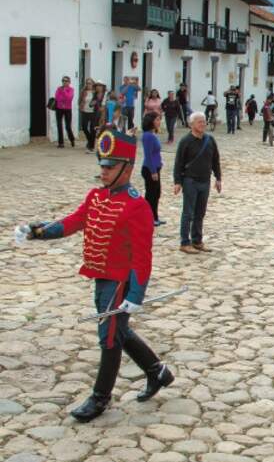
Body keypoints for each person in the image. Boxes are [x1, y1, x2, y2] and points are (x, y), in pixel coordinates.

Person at [14, 127, 174, 422]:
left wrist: (136, 295)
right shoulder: (97, 197)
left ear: (126, 169)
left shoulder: (137, 206)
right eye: (102, 165)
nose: (103, 171)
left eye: (109, 166)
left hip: (120, 281)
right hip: (101, 276)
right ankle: (158, 372)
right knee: (117, 331)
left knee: (110, 338)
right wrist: (37, 231)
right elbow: (72, 222)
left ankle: (100, 398)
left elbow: (142, 257)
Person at [173, 112, 221, 254]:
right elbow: (178, 162)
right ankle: (184, 242)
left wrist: (218, 178)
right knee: (188, 212)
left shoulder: (210, 140)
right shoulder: (186, 141)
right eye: (199, 122)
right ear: (192, 124)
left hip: (205, 181)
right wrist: (177, 182)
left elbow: (215, 160)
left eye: (204, 121)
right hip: (190, 181)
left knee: (200, 212)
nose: (203, 124)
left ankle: (197, 240)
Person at [140, 112, 164, 227]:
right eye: (157, 120)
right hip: (150, 169)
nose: (159, 122)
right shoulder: (147, 136)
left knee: (157, 193)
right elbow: (148, 155)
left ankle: (155, 216)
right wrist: (153, 171)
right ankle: (148, 217)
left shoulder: (152, 134)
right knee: (151, 195)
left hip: (156, 168)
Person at [52, 75, 76, 148]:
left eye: (66, 81)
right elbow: (57, 97)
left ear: (69, 82)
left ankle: (72, 139)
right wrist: (63, 98)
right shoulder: (59, 88)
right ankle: (61, 143)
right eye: (63, 81)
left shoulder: (71, 89)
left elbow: (69, 98)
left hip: (68, 109)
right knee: (59, 125)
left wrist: (64, 91)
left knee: (68, 126)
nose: (64, 82)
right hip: (59, 108)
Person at [79, 78, 97, 152]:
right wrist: (80, 106)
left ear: (93, 84)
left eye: (90, 83)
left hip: (93, 112)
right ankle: (90, 140)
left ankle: (91, 145)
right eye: (87, 83)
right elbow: (80, 100)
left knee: (93, 129)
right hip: (85, 111)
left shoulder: (95, 92)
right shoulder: (83, 92)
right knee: (84, 127)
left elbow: (98, 102)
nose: (88, 84)